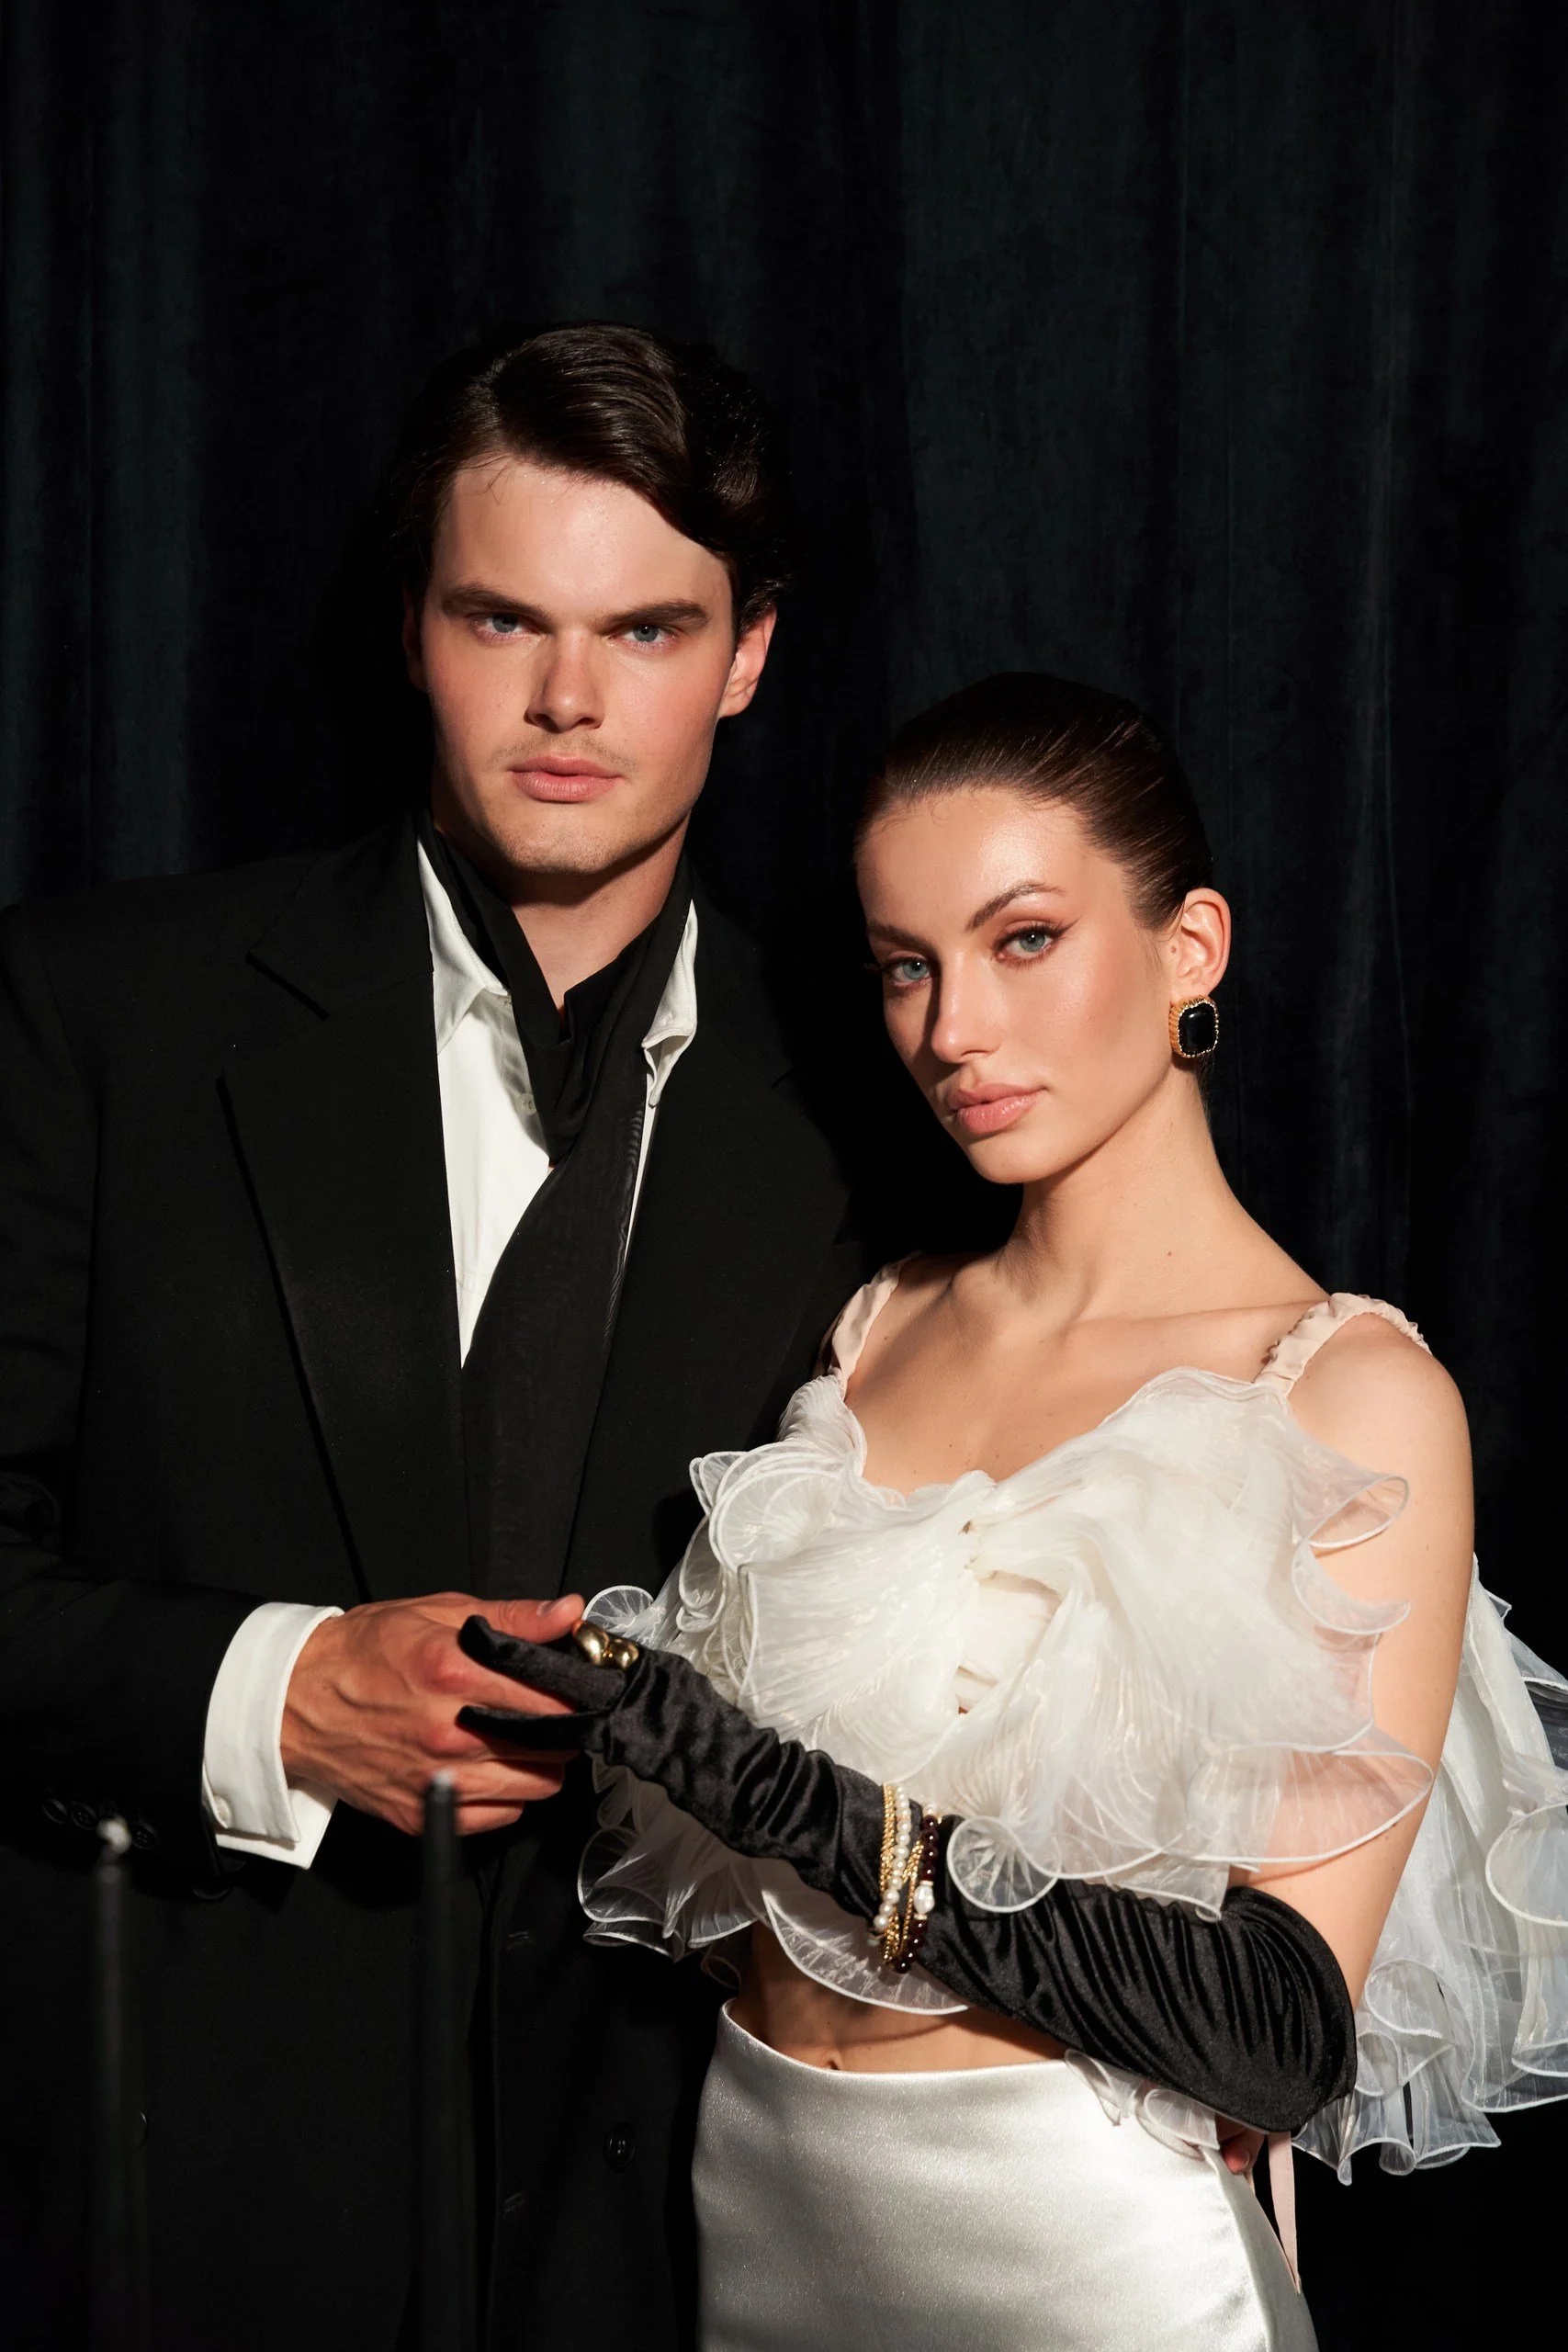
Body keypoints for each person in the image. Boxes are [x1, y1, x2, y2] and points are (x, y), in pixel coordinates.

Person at [469, 673, 1568, 2349]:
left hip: (1078, 2263)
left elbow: (1273, 2032)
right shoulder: (869, 1329)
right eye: (906, 964)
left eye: (1025, 940)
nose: (951, 1031)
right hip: (755, 2210)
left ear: (1190, 946)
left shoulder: (1341, 1400)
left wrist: (792, 1799)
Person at [0, 324, 867, 2351]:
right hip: (173, 2195)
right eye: (506, 619)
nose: (571, 702)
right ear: (414, 624)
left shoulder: (875, 1102)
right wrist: (269, 1686)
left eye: (647, 631)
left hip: (678, 2236)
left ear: (746, 653)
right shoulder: (89, 1012)